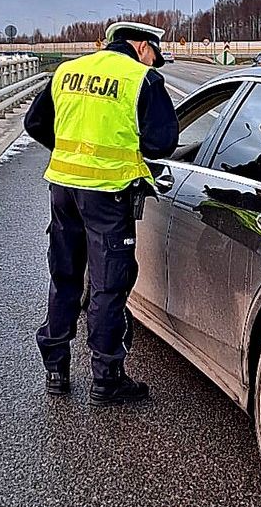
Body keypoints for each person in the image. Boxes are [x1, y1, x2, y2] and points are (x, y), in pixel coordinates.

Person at [24, 21, 178, 406]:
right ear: (143, 46)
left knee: (65, 276)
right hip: (108, 196)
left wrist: (73, 154)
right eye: (154, 54)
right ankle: (106, 378)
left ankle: (56, 370)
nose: (154, 61)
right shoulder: (140, 79)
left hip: (63, 189)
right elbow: (163, 143)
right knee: (109, 285)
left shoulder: (68, 71)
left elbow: (35, 123)